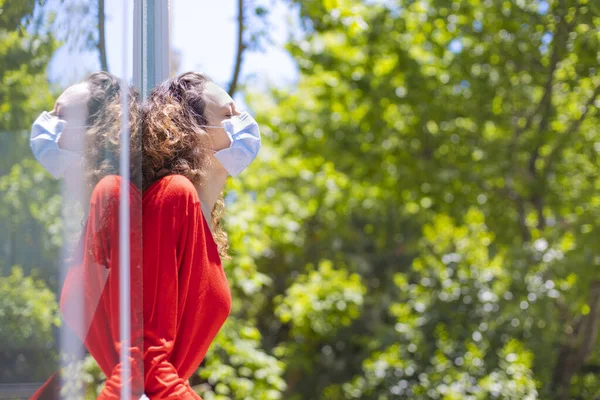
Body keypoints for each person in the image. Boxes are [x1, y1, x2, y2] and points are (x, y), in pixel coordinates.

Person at [137, 71, 261, 398]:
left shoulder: (201, 221)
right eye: (228, 115)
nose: (245, 122)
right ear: (192, 131)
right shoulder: (173, 197)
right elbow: (146, 358)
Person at [29, 71, 143, 399]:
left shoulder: (114, 201)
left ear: (96, 132)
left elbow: (136, 360)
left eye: (60, 115)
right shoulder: (96, 214)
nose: (45, 124)